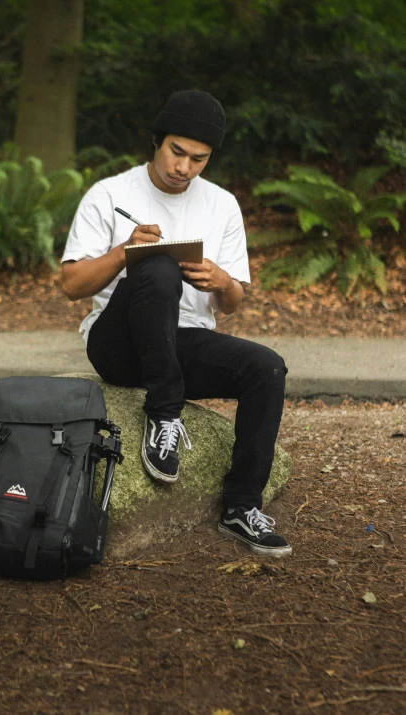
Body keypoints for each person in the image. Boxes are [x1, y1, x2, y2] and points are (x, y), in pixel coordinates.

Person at [61, 90, 291, 557]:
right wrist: (124, 252)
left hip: (182, 341)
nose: (183, 167)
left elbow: (231, 305)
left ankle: (241, 507)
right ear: (156, 142)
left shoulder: (223, 205)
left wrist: (223, 281)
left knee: (267, 368)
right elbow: (71, 284)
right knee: (157, 266)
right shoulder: (110, 193)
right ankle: (164, 412)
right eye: (176, 152)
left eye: (198, 159)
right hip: (119, 343)